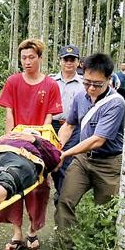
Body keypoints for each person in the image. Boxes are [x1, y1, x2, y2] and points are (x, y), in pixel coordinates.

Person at [42, 53, 125, 250]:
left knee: (106, 213)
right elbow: (69, 126)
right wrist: (57, 149)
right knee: (64, 201)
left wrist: (65, 154)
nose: (90, 88)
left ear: (109, 79)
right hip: (82, 161)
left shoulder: (116, 104)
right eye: (87, 82)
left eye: (96, 85)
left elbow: (98, 140)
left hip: (108, 164)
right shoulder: (81, 96)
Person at [0, 38, 63, 250]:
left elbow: (48, 119)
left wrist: (39, 143)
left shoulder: (50, 85)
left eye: (31, 57)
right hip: (16, 142)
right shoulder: (13, 82)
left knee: (39, 188)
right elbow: (9, 113)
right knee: (12, 183)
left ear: (40, 59)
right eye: (23, 57)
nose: (27, 61)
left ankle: (33, 230)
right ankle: (16, 232)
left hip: (38, 143)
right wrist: (9, 138)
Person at [51, 45, 85, 205]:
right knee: (52, 162)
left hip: (74, 128)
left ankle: (63, 199)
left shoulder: (84, 84)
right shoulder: (50, 81)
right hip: (52, 126)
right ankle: (59, 192)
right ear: (60, 61)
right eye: (66, 59)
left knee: (67, 163)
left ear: (78, 62)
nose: (69, 62)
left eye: (73, 59)